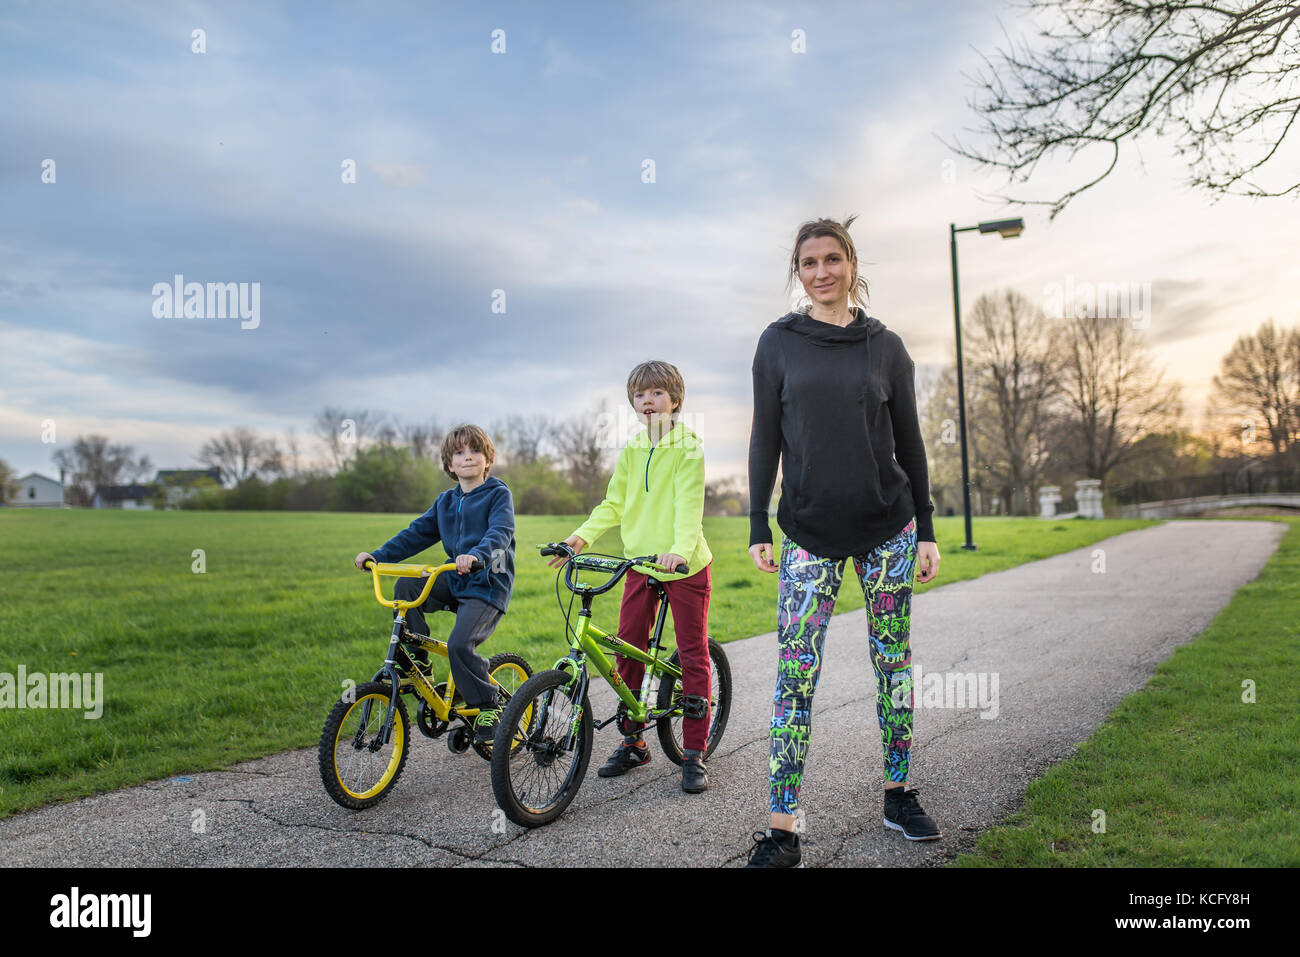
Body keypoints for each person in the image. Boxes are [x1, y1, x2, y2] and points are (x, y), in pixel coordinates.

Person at [744, 216, 943, 867]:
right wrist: (756, 525)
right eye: (810, 262)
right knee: (794, 676)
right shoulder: (777, 344)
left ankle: (898, 792)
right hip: (807, 534)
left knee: (892, 664)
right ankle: (782, 827)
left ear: (852, 263)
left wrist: (928, 529)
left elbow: (910, 442)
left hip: (888, 529)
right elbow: (764, 440)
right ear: (798, 272)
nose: (823, 270)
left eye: (833, 258)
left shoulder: (886, 347)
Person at [547, 360, 715, 792]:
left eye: (657, 393)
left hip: (684, 565)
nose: (648, 401)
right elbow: (613, 504)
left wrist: (678, 551)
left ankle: (694, 751)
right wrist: (578, 540)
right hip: (639, 563)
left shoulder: (688, 448)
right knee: (627, 647)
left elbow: (688, 506)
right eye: (640, 395)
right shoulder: (632, 451)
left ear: (675, 401)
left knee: (692, 652)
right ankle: (633, 741)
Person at [354, 424, 516, 747]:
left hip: (487, 583)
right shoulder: (445, 502)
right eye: (459, 453)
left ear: (487, 460)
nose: (467, 457)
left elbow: (500, 533)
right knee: (407, 587)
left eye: (475, 451)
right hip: (455, 579)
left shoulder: (498, 494)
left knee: (458, 645)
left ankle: (488, 704)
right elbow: (415, 534)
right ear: (450, 464)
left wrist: (476, 555)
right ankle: (419, 662)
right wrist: (378, 556)